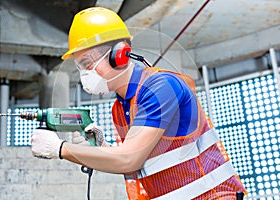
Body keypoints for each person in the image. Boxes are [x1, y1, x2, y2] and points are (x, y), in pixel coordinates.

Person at [31, 7, 247, 199]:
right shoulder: (120, 107)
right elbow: (138, 162)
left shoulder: (160, 87)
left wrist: (60, 149)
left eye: (87, 63)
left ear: (120, 55)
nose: (84, 74)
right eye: (80, 67)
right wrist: (102, 149)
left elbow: (129, 159)